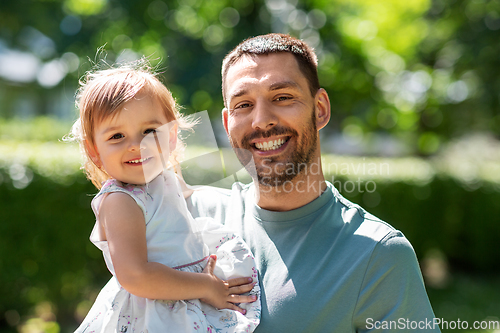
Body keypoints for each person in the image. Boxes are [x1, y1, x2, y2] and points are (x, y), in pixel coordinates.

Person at [186, 33, 440, 332]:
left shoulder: (379, 255)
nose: (261, 121)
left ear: (319, 108)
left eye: (282, 97)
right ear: (228, 124)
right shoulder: (194, 219)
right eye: (244, 104)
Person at [69, 61, 260, 333]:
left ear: (171, 137)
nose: (136, 145)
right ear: (94, 151)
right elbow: (136, 276)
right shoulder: (121, 201)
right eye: (117, 136)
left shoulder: (161, 179)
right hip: (151, 314)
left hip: (180, 299)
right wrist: (206, 287)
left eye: (149, 131)